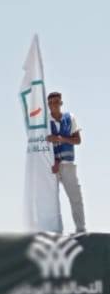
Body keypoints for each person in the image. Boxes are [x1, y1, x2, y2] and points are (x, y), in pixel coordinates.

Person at [47, 91, 86, 233]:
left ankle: (81, 229)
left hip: (68, 165)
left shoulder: (70, 118)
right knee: (52, 200)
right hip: (52, 167)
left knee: (76, 197)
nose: (53, 105)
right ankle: (55, 230)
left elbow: (78, 140)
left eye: (56, 102)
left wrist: (62, 139)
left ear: (61, 103)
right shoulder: (45, 122)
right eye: (50, 103)